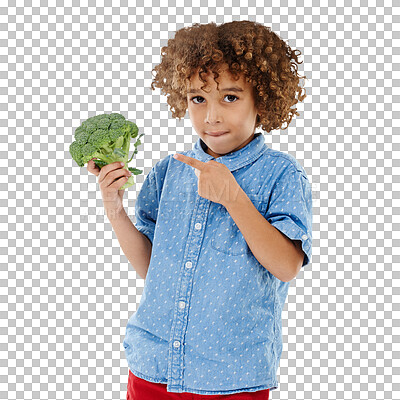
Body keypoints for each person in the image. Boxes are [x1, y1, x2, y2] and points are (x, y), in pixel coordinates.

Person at [88, 20, 312, 399]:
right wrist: (114, 207)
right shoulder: (169, 171)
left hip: (232, 375)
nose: (211, 117)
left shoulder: (281, 174)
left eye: (229, 97)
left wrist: (233, 198)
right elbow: (151, 267)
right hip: (152, 366)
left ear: (262, 98)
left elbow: (287, 266)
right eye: (198, 99)